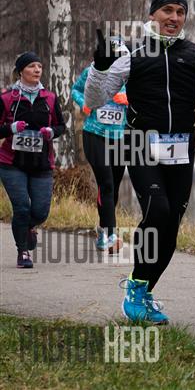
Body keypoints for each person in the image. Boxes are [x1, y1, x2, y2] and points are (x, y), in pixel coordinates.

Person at [85, 0, 195, 324]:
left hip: (182, 148)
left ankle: (142, 289)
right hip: (141, 144)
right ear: (152, 13)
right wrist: (99, 67)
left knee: (171, 226)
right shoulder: (132, 53)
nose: (174, 17)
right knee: (158, 211)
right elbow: (94, 99)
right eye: (168, 10)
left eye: (180, 12)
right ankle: (136, 291)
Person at [0, 52, 66, 268]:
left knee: (39, 212)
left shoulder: (50, 98)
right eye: (31, 66)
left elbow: (61, 126)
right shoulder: (7, 98)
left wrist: (51, 132)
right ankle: (23, 252)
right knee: (21, 208)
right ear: (21, 71)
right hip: (11, 163)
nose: (37, 70)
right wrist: (10, 128)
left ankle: (27, 227)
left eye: (39, 66)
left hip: (41, 164)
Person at [71, 38, 129, 253]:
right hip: (95, 134)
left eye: (122, 56)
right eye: (115, 56)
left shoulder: (129, 75)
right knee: (106, 183)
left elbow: (143, 98)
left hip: (120, 137)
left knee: (114, 187)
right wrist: (85, 104)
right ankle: (112, 235)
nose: (118, 60)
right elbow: (75, 90)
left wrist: (127, 98)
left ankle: (102, 230)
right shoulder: (93, 71)